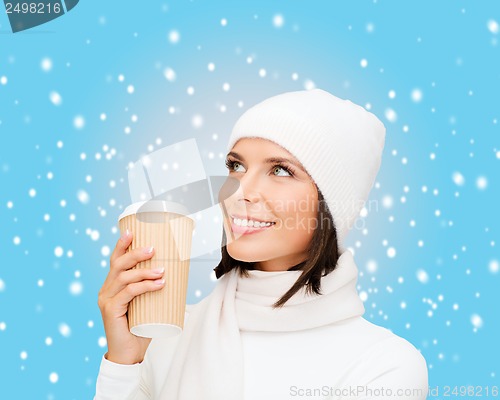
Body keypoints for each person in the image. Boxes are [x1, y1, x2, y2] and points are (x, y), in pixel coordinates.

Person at [94, 88, 428, 400]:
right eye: (236, 166)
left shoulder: (384, 365)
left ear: (333, 206)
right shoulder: (165, 335)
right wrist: (124, 363)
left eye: (281, 171)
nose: (238, 191)